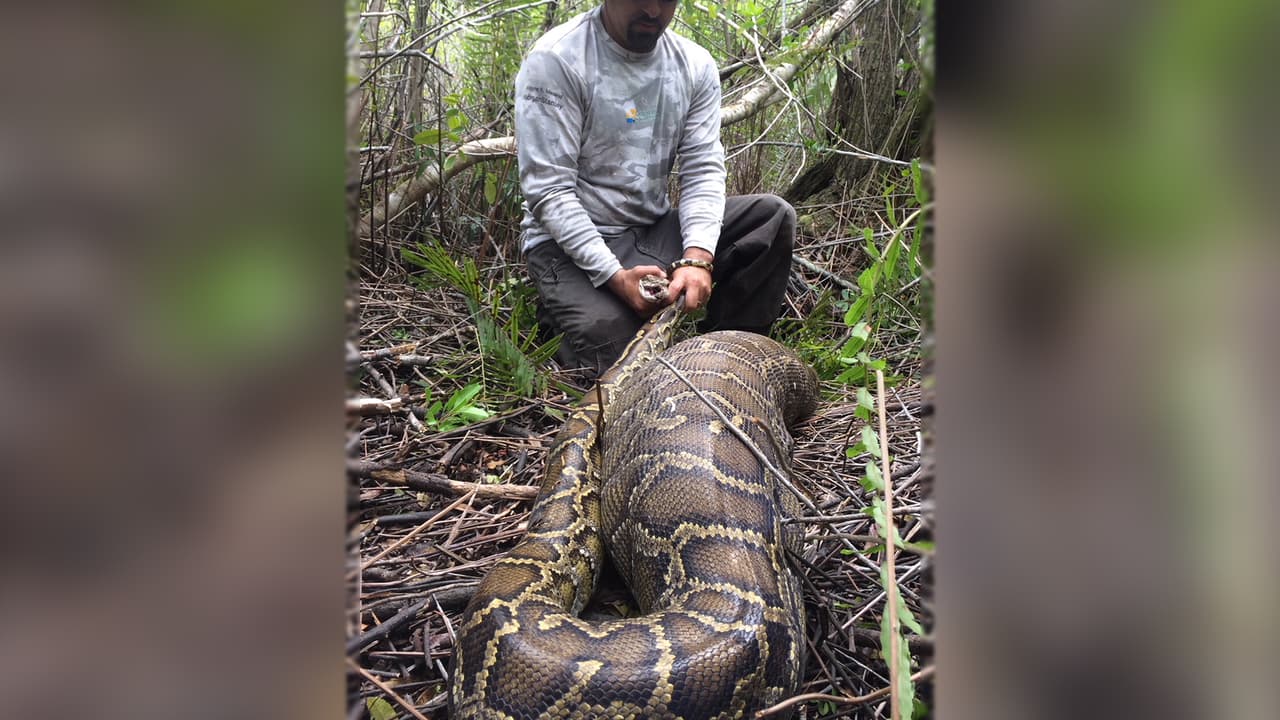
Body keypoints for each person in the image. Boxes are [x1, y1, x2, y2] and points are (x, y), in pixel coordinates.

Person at [515, 0, 796, 376]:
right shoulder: (557, 59)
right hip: (565, 249)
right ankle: (565, 314)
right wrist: (615, 278)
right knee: (624, 359)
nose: (652, 10)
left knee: (771, 218)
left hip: (650, 230)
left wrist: (697, 258)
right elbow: (549, 190)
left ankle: (733, 358)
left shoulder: (693, 65)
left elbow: (702, 168)